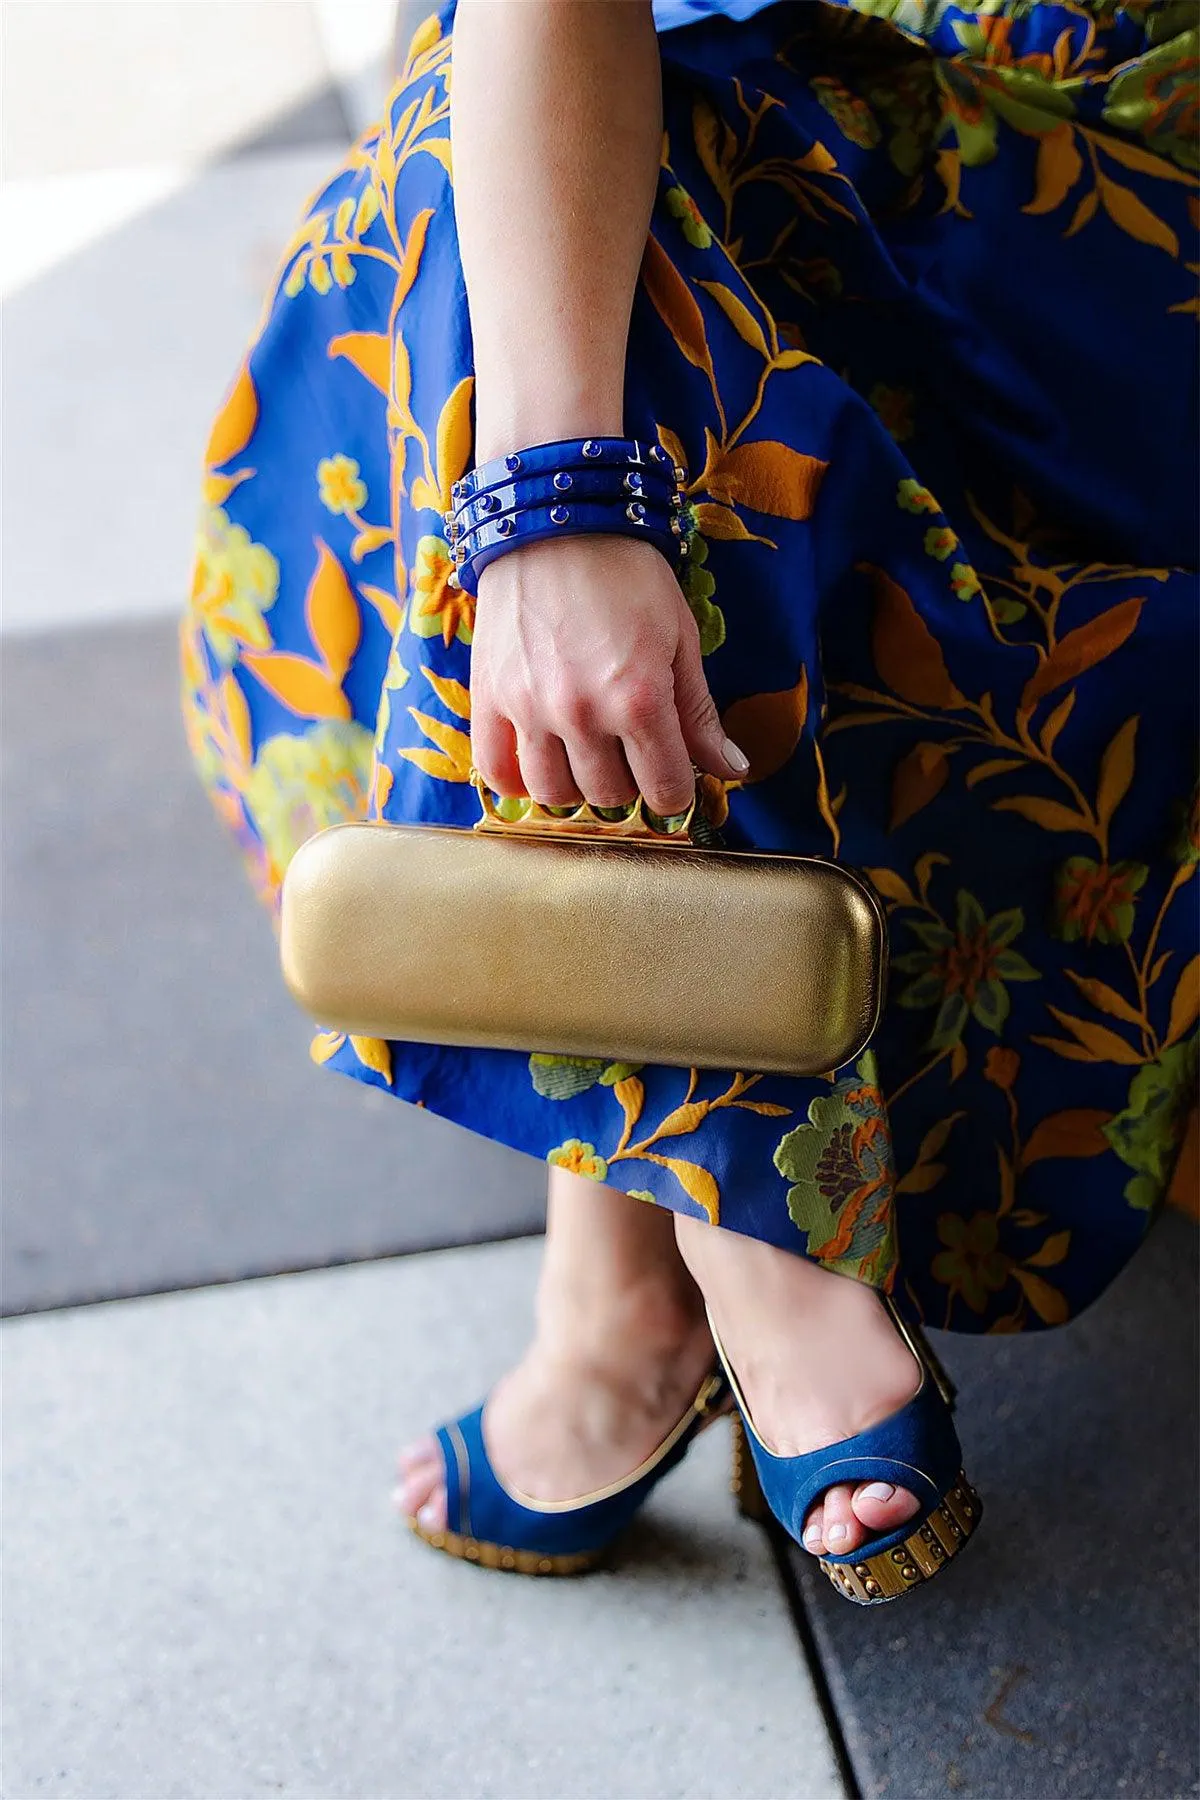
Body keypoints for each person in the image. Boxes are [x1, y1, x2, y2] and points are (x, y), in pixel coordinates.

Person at [182, 0, 1197, 1602]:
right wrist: (559, 515)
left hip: (1114, 188)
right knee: (573, 169)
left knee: (588, 185)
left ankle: (647, 1277)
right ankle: (735, 1220)